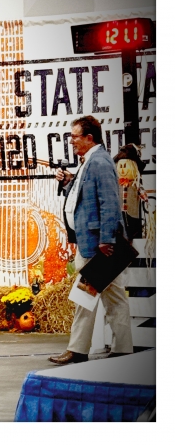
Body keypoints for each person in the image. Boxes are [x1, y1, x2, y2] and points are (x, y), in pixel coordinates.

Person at [49, 116, 134, 365]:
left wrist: (106, 239)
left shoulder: (99, 162)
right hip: (95, 243)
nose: (71, 141)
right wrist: (68, 182)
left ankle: (77, 349)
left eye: (74, 136)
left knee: (86, 296)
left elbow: (110, 202)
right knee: (113, 296)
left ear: (89, 138)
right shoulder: (91, 161)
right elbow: (83, 197)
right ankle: (122, 349)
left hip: (98, 245)